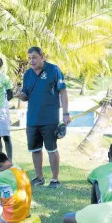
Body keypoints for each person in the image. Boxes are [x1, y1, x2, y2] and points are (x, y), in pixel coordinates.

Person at [16, 47, 70, 188]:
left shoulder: (54, 70)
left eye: (34, 57)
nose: (31, 61)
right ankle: (39, 178)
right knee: (35, 149)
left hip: (50, 118)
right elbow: (26, 96)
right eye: (29, 58)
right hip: (32, 119)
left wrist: (65, 113)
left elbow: (63, 92)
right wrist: (21, 96)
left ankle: (54, 179)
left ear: (42, 57)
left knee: (51, 149)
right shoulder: (27, 74)